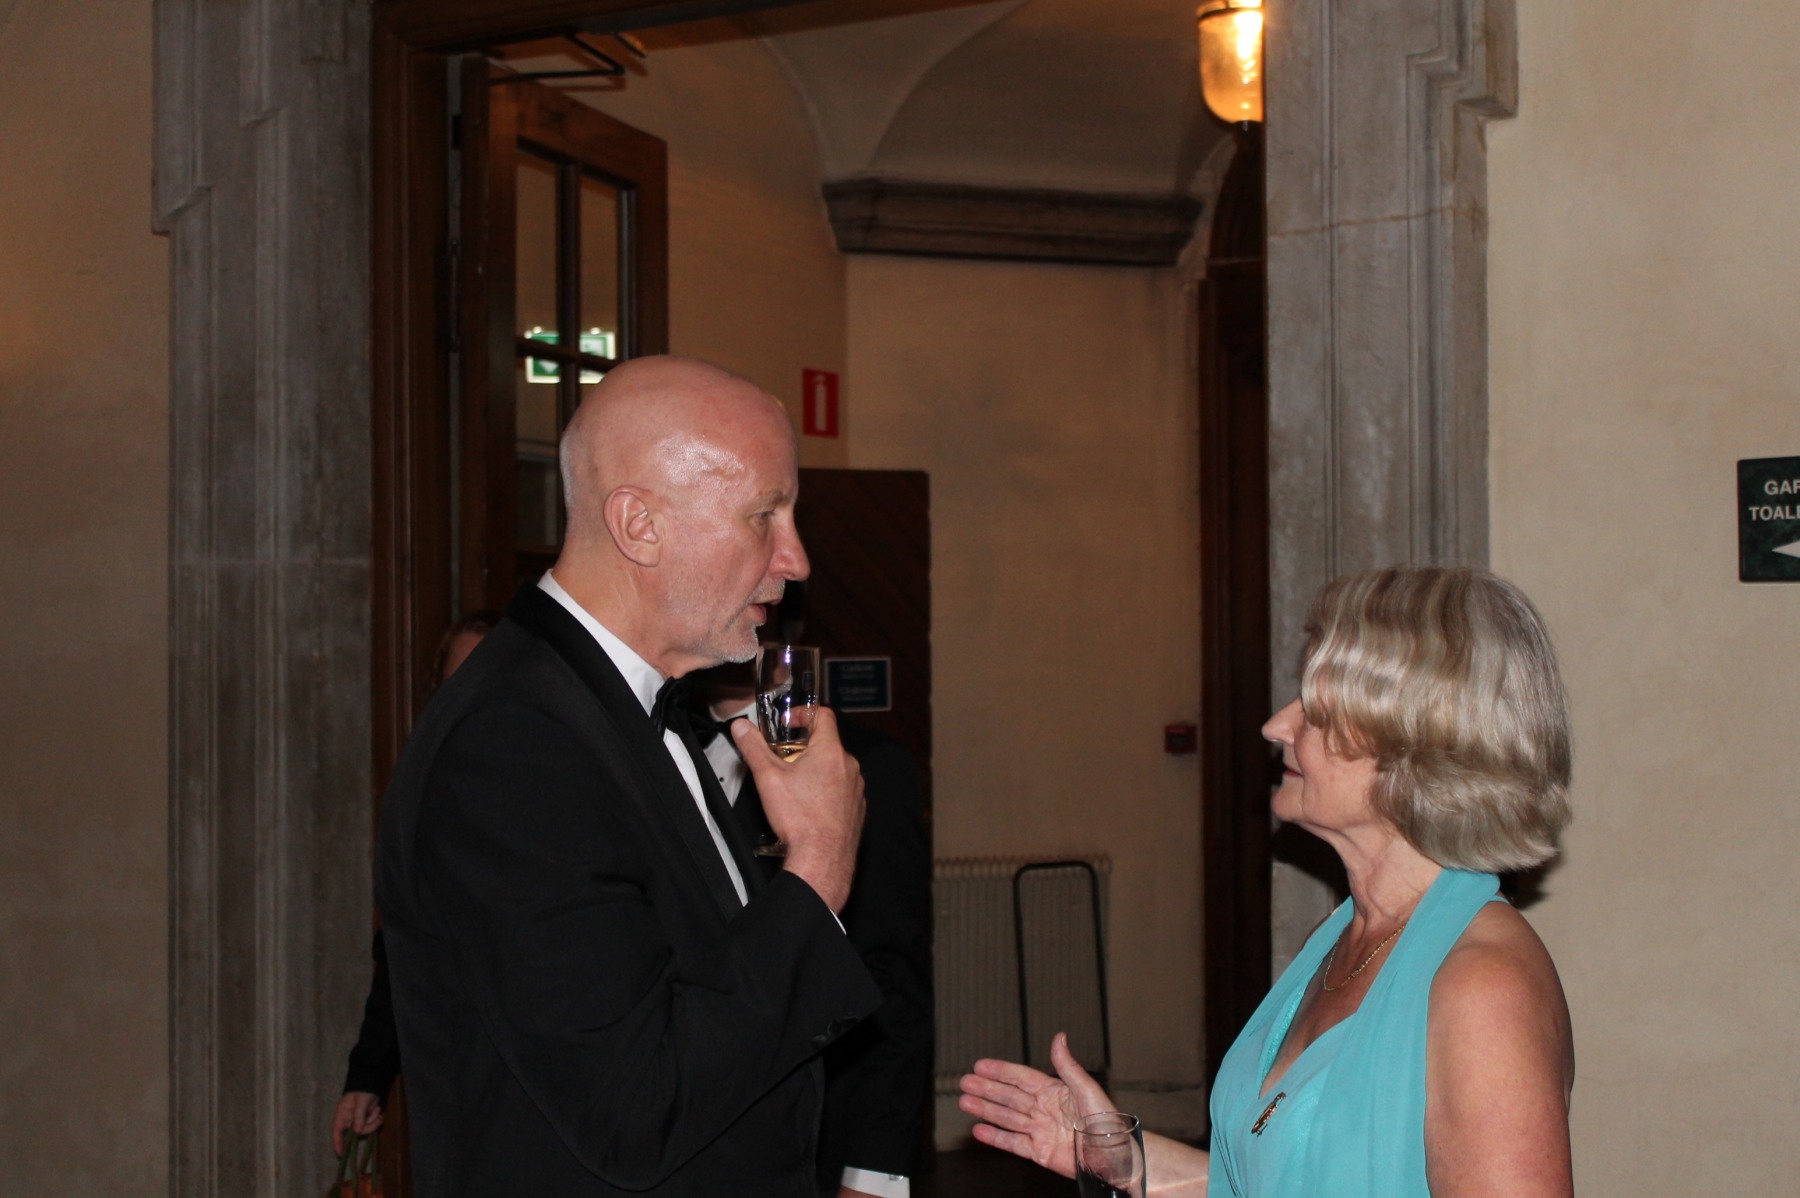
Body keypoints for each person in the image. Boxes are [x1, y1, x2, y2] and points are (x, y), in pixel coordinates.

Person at [375, 356, 884, 1197]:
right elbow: (633, 1107)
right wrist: (819, 865)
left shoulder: (621, 707)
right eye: (764, 515)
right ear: (639, 525)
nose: (795, 559)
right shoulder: (516, 744)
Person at [959, 564, 1575, 1197]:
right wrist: (1127, 1161)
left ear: (1418, 742)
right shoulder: (1341, 936)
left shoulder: (1482, 988)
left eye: (1317, 708)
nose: (1277, 726)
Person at [688, 667, 934, 1197]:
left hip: (817, 1134)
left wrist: (875, 1175)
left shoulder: (864, 763)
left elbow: (890, 980)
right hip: (689, 1128)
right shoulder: (658, 747)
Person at [331, 610, 500, 1157]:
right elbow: (404, 945)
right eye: (459, 680)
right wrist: (367, 1075)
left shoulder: (562, 779)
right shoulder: (428, 791)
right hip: (458, 1072)